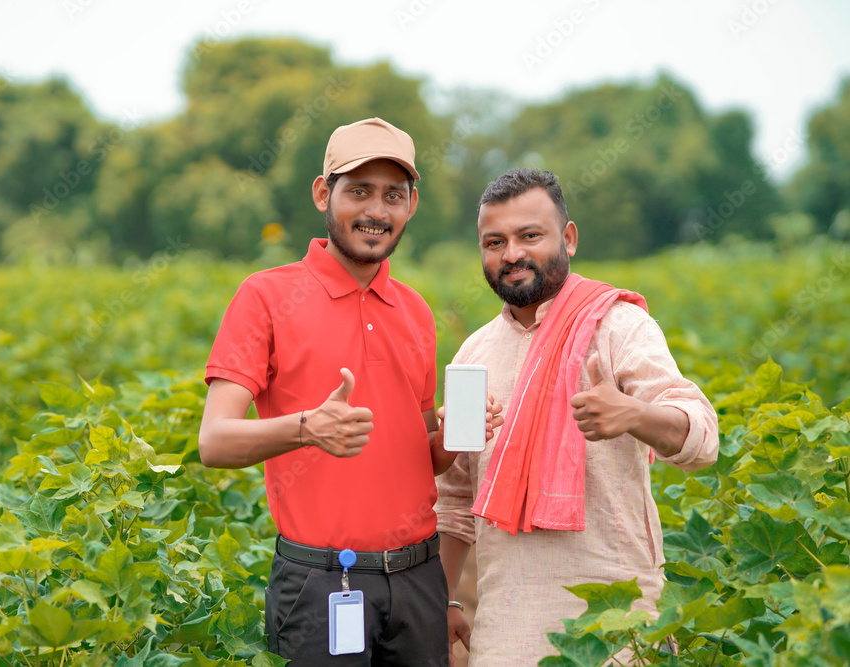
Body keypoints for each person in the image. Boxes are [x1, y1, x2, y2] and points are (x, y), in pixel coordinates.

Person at [199, 117, 500, 665]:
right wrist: (306, 428)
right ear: (323, 193)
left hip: (418, 581)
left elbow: (424, 458)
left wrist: (460, 433)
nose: (376, 211)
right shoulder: (265, 296)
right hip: (321, 584)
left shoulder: (415, 311)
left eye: (393, 195)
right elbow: (214, 442)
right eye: (358, 191)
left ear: (411, 205)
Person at [435, 168, 719, 665]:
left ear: (568, 239)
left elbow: (701, 438)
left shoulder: (618, 326)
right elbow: (454, 501)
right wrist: (444, 599)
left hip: (618, 624)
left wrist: (634, 413)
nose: (511, 254)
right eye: (494, 241)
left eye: (530, 236)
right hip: (508, 629)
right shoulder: (473, 353)